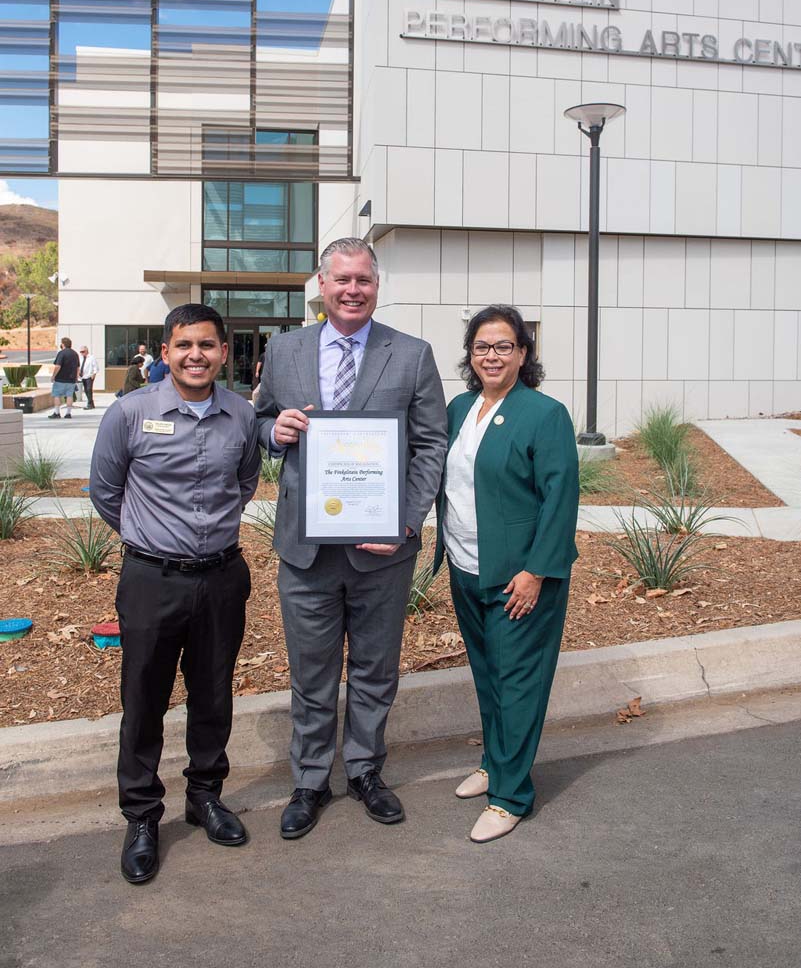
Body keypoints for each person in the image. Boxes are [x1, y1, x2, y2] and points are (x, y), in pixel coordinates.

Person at [255, 237, 447, 840]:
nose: (353, 290)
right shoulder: (283, 350)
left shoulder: (412, 354)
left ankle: (364, 770)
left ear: (377, 285)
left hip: (383, 552)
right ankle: (310, 780)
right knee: (311, 674)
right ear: (322, 284)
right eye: (342, 279)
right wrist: (274, 431)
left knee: (374, 669)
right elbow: (257, 420)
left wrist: (406, 521)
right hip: (306, 550)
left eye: (363, 279)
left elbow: (431, 444)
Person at [90, 303, 261, 886]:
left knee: (213, 693)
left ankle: (205, 796)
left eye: (207, 345)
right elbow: (105, 490)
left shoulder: (241, 415)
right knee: (144, 698)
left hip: (222, 577)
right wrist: (153, 538)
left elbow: (245, 482)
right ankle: (141, 816)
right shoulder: (130, 413)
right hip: (150, 580)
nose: (196, 355)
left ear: (223, 353)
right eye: (184, 344)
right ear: (165, 352)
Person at [433, 305, 579, 845]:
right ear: (470, 355)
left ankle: (512, 795)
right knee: (488, 674)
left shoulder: (545, 414)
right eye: (481, 347)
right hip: (466, 565)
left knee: (517, 683)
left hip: (519, 577)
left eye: (503, 346)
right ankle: (495, 763)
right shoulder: (459, 407)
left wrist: (536, 571)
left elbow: (560, 500)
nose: (491, 356)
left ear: (522, 353)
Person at [48, 336, 80, 419]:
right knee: (69, 396)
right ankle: (68, 413)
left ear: (63, 344)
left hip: (60, 379)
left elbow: (58, 366)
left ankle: (57, 412)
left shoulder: (61, 353)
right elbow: (77, 368)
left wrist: (53, 376)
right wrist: (76, 377)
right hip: (71, 379)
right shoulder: (75, 354)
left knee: (57, 395)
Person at [78, 345, 98, 409]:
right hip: (83, 376)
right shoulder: (81, 358)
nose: (82, 353)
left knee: (89, 389)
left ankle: (89, 404)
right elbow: (79, 366)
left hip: (89, 376)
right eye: (81, 352)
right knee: (86, 390)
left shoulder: (91, 358)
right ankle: (91, 403)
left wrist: (94, 374)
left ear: (86, 351)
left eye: (83, 351)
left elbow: (95, 367)